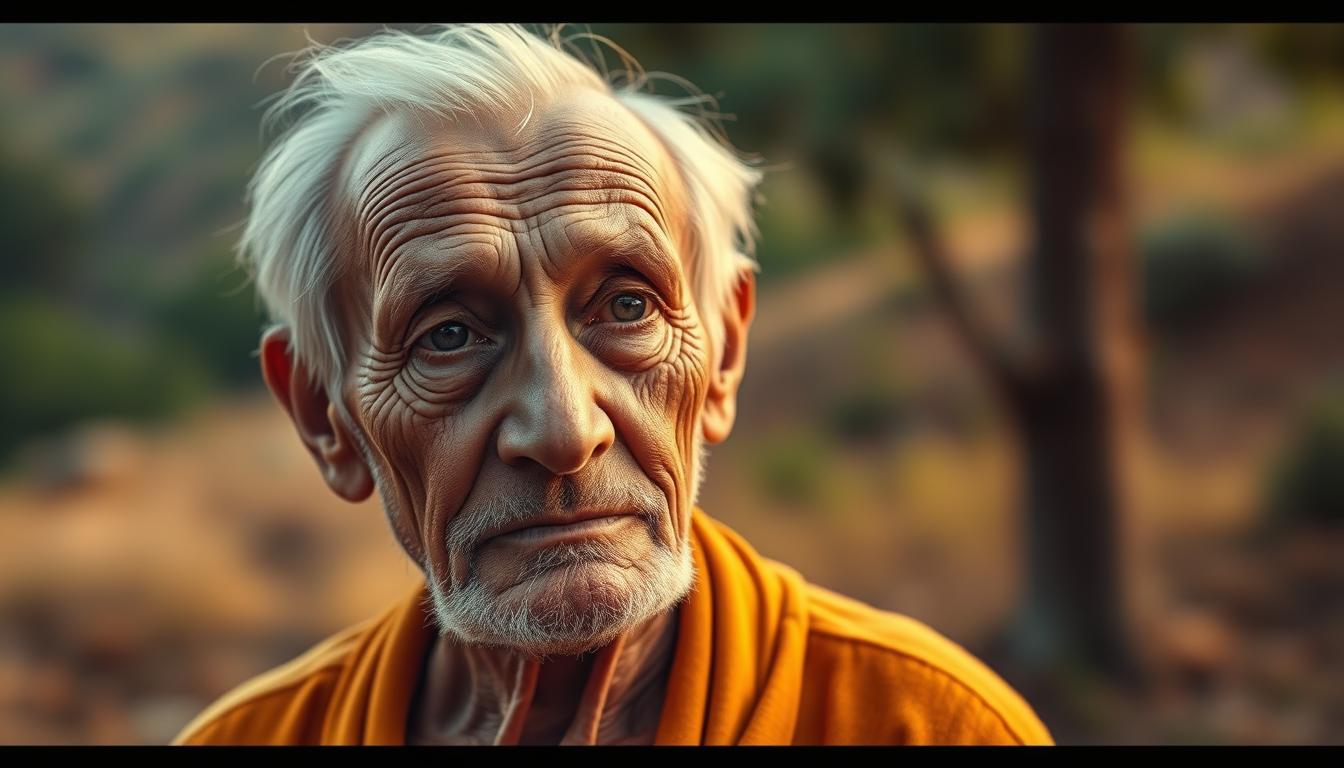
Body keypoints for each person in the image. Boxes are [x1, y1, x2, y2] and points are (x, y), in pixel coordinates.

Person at [172, 23, 1054, 746]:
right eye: (448, 336)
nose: (564, 430)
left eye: (627, 307)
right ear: (324, 416)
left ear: (723, 351)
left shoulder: (928, 727)